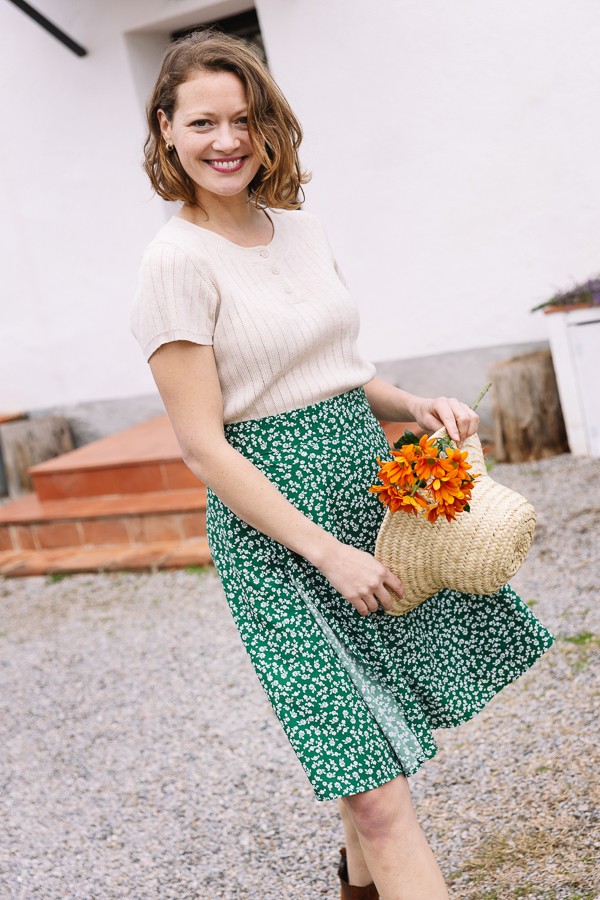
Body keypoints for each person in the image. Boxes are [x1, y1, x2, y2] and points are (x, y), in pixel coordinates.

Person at [130, 30, 553, 900]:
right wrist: (326, 551)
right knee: (377, 799)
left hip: (366, 492)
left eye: (243, 119)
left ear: (268, 126)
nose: (226, 140)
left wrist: (411, 405)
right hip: (280, 539)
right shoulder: (174, 263)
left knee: (375, 747)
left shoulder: (303, 230)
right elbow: (203, 445)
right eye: (202, 121)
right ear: (165, 129)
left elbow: (340, 369)